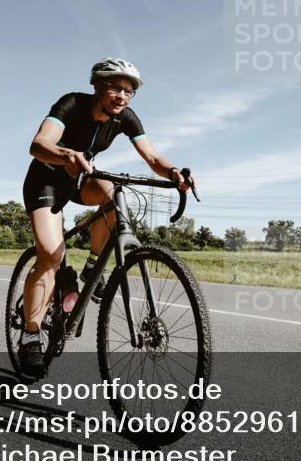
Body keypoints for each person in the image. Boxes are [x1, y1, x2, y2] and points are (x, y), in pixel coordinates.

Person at [17, 57, 195, 378]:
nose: (122, 96)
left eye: (129, 91)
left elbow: (151, 156)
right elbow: (39, 144)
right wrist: (66, 154)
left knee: (116, 192)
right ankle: (30, 336)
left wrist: (173, 171)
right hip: (45, 178)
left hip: (80, 178)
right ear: (97, 86)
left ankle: (93, 265)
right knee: (51, 255)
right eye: (115, 87)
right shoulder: (71, 104)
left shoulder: (125, 117)